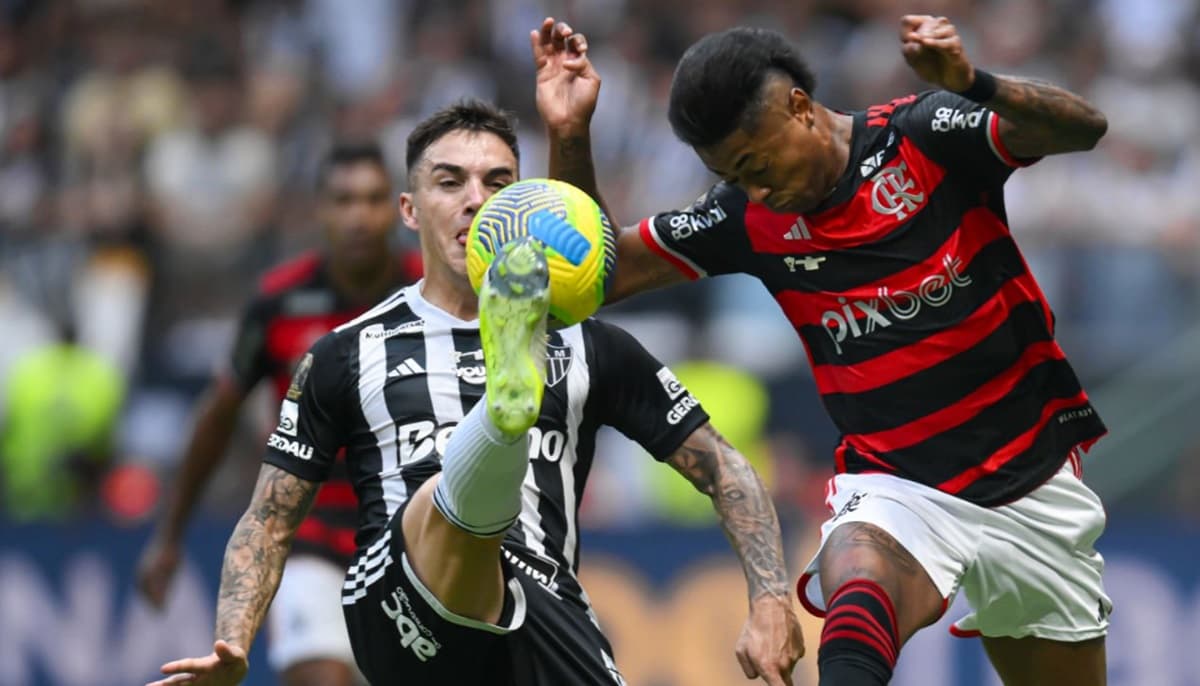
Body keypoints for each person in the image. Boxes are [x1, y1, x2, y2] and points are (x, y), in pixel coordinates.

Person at [534, 13, 1112, 686]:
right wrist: (570, 133)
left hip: (1032, 479)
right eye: (732, 176)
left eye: (756, 164)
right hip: (899, 482)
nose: (755, 190)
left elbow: (1083, 128)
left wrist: (973, 82)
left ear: (799, 107)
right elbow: (597, 277)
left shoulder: (921, 135)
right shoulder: (744, 217)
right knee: (859, 573)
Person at [147, 100, 804, 686]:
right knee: (443, 500)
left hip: (543, 609)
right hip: (401, 600)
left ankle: (502, 404)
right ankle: (502, 414)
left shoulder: (592, 347)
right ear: (408, 209)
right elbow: (269, 518)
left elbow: (723, 466)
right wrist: (232, 639)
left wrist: (773, 598)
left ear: (524, 204)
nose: (474, 199)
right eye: (448, 181)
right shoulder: (346, 353)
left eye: (498, 183)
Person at [137, 141, 419, 686]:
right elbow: (218, 416)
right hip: (306, 535)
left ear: (399, 208)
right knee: (321, 677)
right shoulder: (278, 302)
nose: (358, 216)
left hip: (406, 537)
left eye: (372, 199)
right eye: (343, 200)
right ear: (322, 210)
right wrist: (168, 535)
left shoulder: (430, 294)